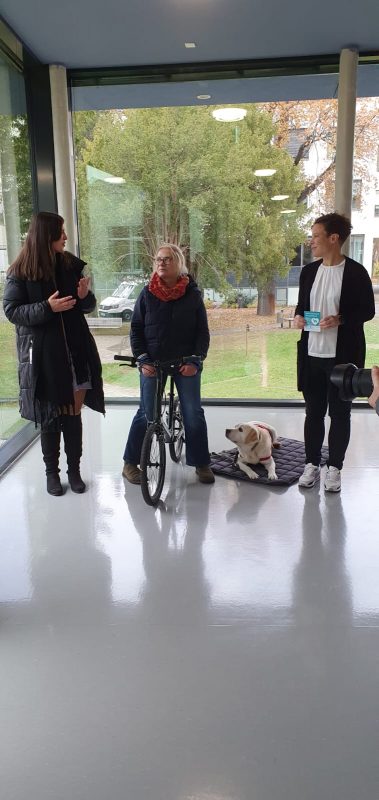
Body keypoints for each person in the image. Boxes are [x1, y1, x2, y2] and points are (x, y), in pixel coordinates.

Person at [3, 212, 105, 496]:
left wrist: (85, 297)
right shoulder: (20, 271)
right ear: (47, 234)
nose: (66, 237)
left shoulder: (70, 263)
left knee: (73, 415)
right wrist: (48, 308)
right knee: (50, 418)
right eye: (61, 232)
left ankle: (74, 472)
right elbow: (12, 312)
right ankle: (52, 474)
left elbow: (86, 306)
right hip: (45, 358)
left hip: (75, 352)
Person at [294, 212, 375, 492]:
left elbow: (368, 311)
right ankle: (311, 464)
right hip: (312, 354)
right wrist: (299, 318)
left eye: (316, 236)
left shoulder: (355, 273)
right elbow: (301, 308)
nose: (312, 241)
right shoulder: (308, 272)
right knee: (313, 412)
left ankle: (335, 468)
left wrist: (341, 319)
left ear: (333, 238)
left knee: (340, 414)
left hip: (343, 358)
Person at [122, 243, 214, 485]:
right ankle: (130, 463)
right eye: (158, 259)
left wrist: (196, 359)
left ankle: (201, 462)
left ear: (178, 263)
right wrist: (142, 359)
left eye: (167, 259)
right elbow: (136, 331)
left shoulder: (192, 294)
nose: (161, 263)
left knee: (193, 413)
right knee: (146, 413)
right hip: (153, 363)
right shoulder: (146, 294)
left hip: (186, 363)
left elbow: (202, 333)